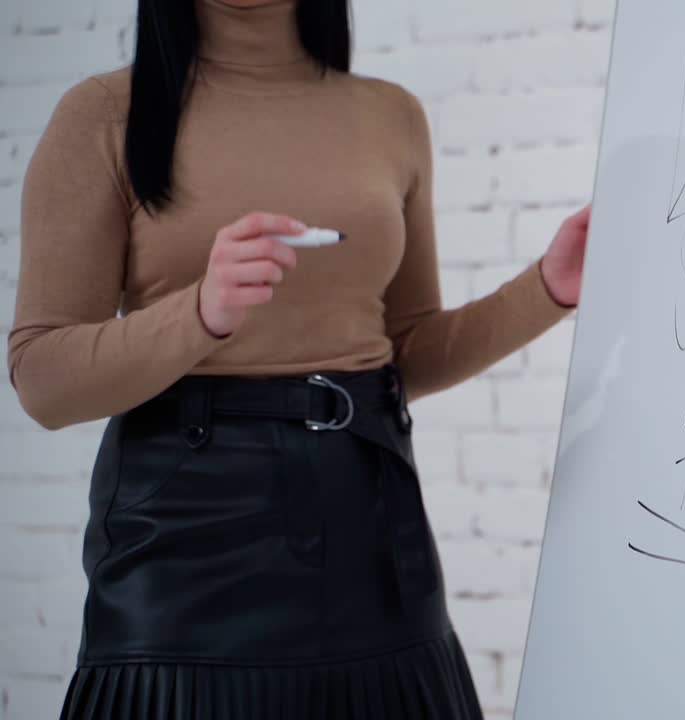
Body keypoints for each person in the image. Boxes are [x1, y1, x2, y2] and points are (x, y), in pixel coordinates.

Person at [6, 0, 589, 716]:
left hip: (372, 530)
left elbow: (403, 351)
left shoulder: (390, 115)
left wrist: (545, 291)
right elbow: (44, 380)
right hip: (181, 548)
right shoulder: (101, 114)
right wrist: (199, 313)